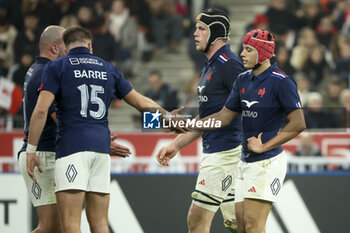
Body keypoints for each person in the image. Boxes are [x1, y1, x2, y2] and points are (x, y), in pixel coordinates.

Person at [26, 26, 186, 233]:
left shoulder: (57, 67)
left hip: (72, 148)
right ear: (90, 45)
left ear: (66, 48)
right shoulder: (107, 68)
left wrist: (31, 150)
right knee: (100, 224)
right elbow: (140, 103)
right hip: (101, 151)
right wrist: (167, 117)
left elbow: (40, 111)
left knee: (71, 225)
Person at [159, 29, 306, 233]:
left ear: (262, 54)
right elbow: (223, 117)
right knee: (242, 228)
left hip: (267, 161)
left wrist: (265, 146)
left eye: (248, 50)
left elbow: (298, 123)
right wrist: (186, 124)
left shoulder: (282, 81)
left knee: (254, 227)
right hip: (244, 163)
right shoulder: (243, 80)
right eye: (243, 49)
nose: (242, 54)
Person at [17, 26, 131, 233]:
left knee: (61, 226)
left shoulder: (40, 69)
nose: (70, 48)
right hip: (44, 153)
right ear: (54, 48)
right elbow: (54, 115)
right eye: (65, 43)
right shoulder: (49, 71)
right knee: (53, 226)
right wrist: (167, 120)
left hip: (53, 151)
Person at [156, 8, 245, 233]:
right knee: (240, 225)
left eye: (201, 29)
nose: (195, 33)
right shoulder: (210, 65)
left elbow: (237, 111)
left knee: (196, 221)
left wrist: (188, 124)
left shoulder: (229, 65)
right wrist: (176, 144)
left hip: (225, 153)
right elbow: (206, 118)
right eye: (196, 28)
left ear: (215, 33)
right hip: (221, 152)